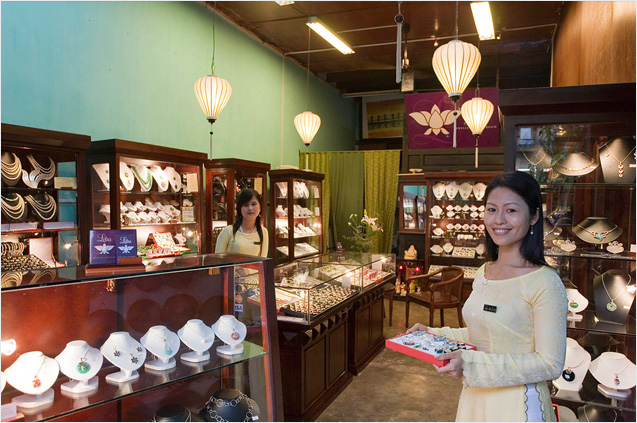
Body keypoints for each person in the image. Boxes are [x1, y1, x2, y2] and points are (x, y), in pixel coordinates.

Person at [409, 171, 567, 422]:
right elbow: (480, 333)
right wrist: (431, 333)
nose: (499, 220)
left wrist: (471, 364)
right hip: (476, 398)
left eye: (511, 210)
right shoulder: (486, 271)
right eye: (492, 209)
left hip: (518, 407)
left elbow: (550, 363)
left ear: (534, 216)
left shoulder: (545, 282)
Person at [215, 188, 269, 258]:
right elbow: (217, 261)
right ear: (240, 209)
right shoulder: (227, 231)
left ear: (260, 208)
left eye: (253, 204)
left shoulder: (263, 232)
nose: (250, 208)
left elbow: (263, 263)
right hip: (232, 269)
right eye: (246, 205)